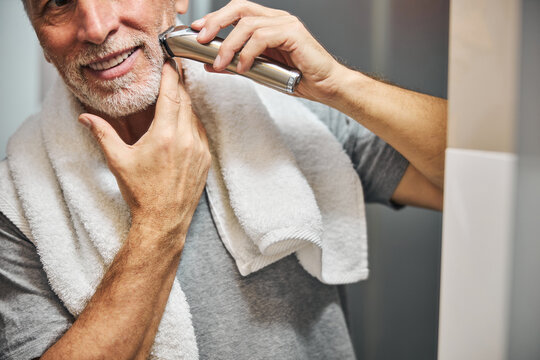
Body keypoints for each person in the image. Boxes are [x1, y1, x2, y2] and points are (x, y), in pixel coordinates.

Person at [0, 0, 445, 359]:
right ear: (40, 37)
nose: (96, 26)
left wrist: (338, 85)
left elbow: (488, 183)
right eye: (57, 3)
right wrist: (160, 220)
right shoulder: (17, 201)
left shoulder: (280, 110)